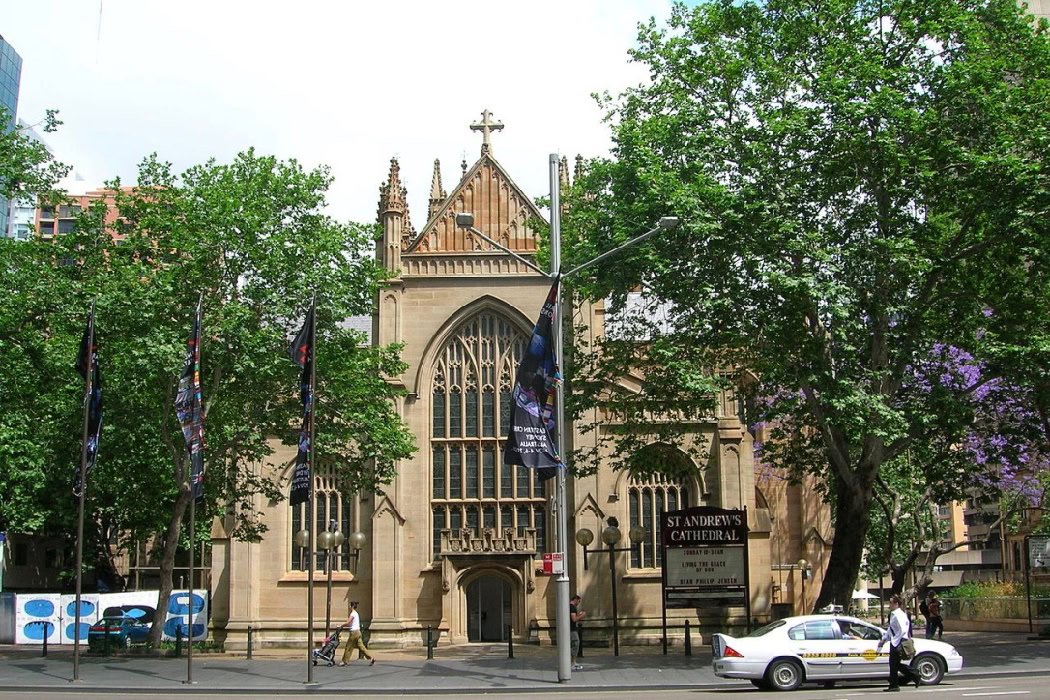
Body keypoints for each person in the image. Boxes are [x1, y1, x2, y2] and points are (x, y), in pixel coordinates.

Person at [876, 595, 920, 692]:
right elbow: (890, 630)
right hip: (895, 641)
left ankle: (913, 675)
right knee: (894, 664)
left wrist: (896, 640)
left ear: (896, 604)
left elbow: (903, 629)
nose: (889, 605)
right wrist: (884, 639)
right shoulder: (894, 614)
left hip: (898, 642)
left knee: (894, 664)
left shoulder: (898, 614)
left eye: (891, 603)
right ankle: (895, 684)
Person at [338, 600, 376, 667]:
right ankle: (371, 658)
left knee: (348, 647)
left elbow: (348, 622)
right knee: (361, 647)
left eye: (349, 605)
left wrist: (341, 626)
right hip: (358, 632)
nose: (349, 607)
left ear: (352, 606)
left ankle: (344, 661)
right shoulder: (356, 613)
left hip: (354, 632)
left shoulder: (352, 614)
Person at [570, 594, 586, 671]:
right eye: (578, 601)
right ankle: (573, 662)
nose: (578, 603)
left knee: (572, 645)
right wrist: (581, 616)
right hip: (572, 630)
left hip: (569, 629)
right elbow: (574, 619)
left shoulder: (569, 607)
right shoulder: (572, 608)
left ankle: (572, 662)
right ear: (575, 600)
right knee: (575, 643)